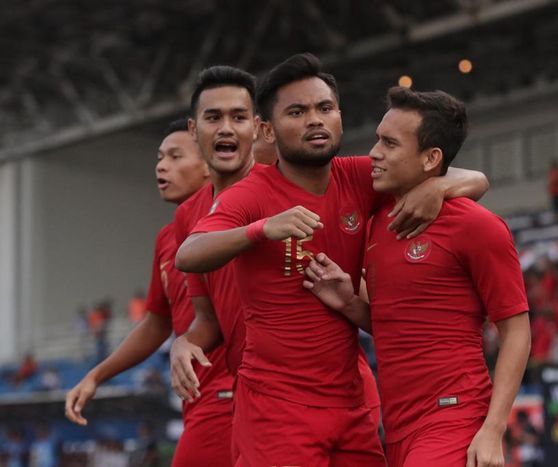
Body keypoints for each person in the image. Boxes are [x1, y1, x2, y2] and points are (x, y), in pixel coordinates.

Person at [175, 53, 489, 466]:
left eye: (324, 108)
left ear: (339, 116)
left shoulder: (359, 177)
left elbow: (476, 179)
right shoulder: (252, 194)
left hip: (351, 408)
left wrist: (436, 189)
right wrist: (262, 230)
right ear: (267, 130)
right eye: (297, 111)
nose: (315, 120)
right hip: (277, 411)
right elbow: (189, 253)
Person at [303, 87, 530, 466]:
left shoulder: (477, 226)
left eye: (389, 144)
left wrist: (493, 429)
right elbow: (401, 327)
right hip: (398, 428)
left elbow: (517, 330)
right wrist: (349, 304)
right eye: (377, 140)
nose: (374, 153)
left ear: (431, 158)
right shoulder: (377, 224)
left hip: (454, 416)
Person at [64, 119, 234, 467]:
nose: (161, 165)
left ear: (208, 165)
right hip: (197, 402)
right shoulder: (166, 238)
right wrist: (96, 375)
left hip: (230, 399)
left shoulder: (237, 218)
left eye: (175, 156)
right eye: (159, 157)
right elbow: (157, 323)